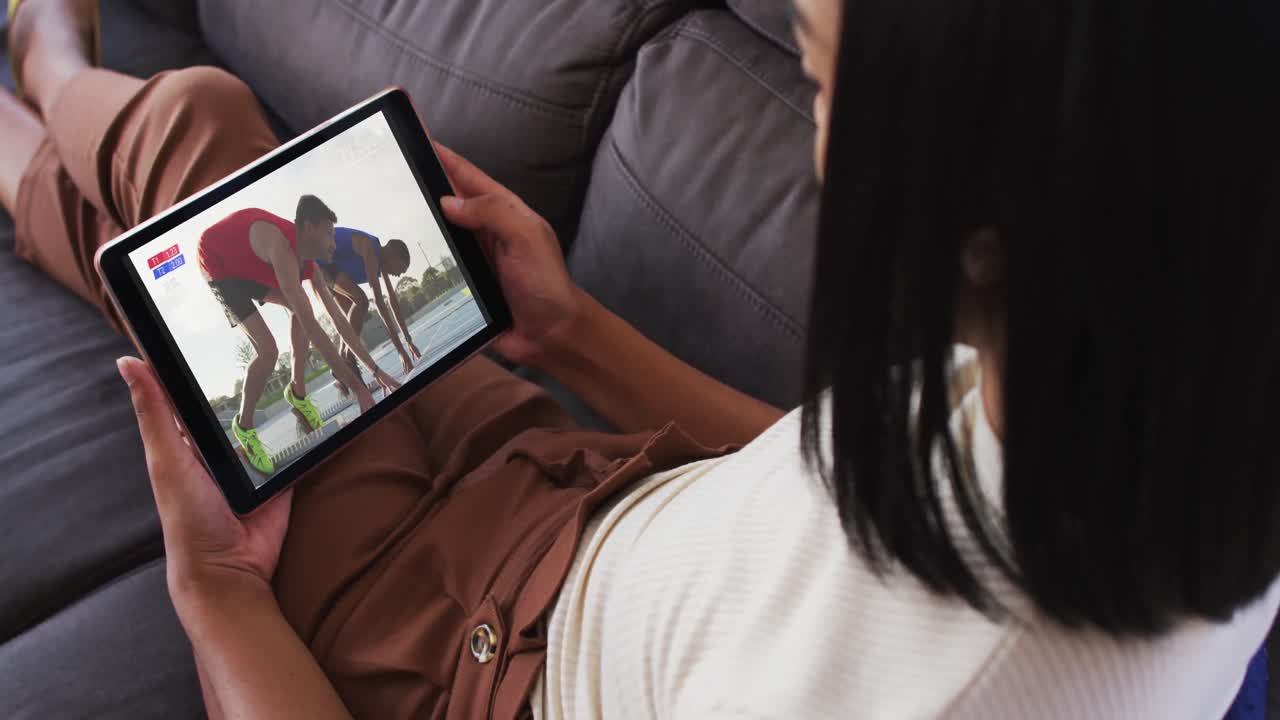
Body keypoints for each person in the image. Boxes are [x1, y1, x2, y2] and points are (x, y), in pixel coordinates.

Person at [3, 0, 1278, 718]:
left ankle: (41, 68)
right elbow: (826, 489)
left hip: (456, 649)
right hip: (585, 496)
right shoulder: (1160, 397)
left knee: (198, 133)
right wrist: (568, 333)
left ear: (979, 214)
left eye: (820, 86)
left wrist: (217, 591)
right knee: (218, 219)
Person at [198, 202, 404, 475]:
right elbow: (316, 332)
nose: (334, 241)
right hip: (218, 262)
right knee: (268, 351)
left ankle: (297, 393)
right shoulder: (282, 248)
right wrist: (358, 388)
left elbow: (339, 322)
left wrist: (374, 370)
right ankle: (244, 426)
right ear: (309, 229)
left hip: (249, 261)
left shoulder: (311, 267)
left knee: (301, 305)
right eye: (330, 233)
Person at [313, 227, 421, 393]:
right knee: (361, 301)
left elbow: (392, 301)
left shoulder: (381, 264)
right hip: (321, 261)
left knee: (352, 318)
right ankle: (345, 361)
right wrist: (400, 351)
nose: (399, 274)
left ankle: (342, 367)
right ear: (393, 255)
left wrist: (408, 340)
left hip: (335, 270)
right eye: (401, 268)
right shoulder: (370, 247)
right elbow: (379, 301)